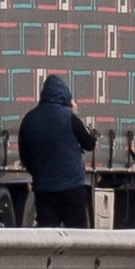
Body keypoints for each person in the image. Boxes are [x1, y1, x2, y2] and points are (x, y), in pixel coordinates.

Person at [18, 74, 96, 228]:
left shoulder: (29, 120)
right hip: (72, 189)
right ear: (65, 95)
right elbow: (89, 143)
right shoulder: (70, 118)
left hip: (44, 190)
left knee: (48, 239)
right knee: (78, 238)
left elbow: (25, 156)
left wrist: (38, 174)